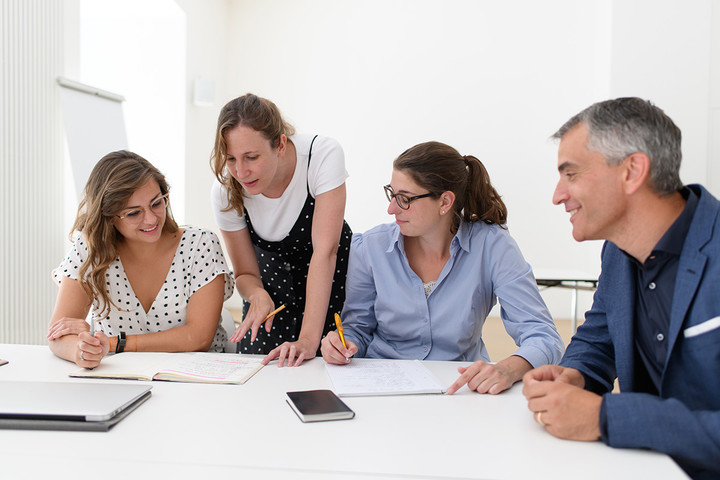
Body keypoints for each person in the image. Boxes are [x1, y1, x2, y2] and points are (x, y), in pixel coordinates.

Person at [522, 97, 720, 479]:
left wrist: (604, 417)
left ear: (632, 171)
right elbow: (598, 338)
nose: (557, 195)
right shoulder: (617, 252)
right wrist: (575, 375)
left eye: (572, 174)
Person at [321, 141, 564, 395]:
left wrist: (509, 368)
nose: (391, 208)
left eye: (405, 199)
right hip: (382, 390)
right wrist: (342, 343)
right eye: (392, 194)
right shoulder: (370, 247)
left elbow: (543, 335)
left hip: (459, 391)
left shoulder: (492, 246)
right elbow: (357, 328)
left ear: (445, 201)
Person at [48, 151, 234, 368]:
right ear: (108, 217)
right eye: (134, 213)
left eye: (156, 203)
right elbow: (58, 335)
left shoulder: (200, 244)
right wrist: (82, 351)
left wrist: (115, 344)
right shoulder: (90, 249)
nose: (151, 219)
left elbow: (199, 338)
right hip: (119, 376)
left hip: (196, 377)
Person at [210, 93, 352, 367]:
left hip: (329, 306)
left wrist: (309, 340)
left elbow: (325, 252)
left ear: (281, 145)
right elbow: (245, 273)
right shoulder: (225, 191)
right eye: (230, 159)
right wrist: (257, 295)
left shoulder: (321, 156)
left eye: (251, 157)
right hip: (269, 315)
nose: (241, 171)